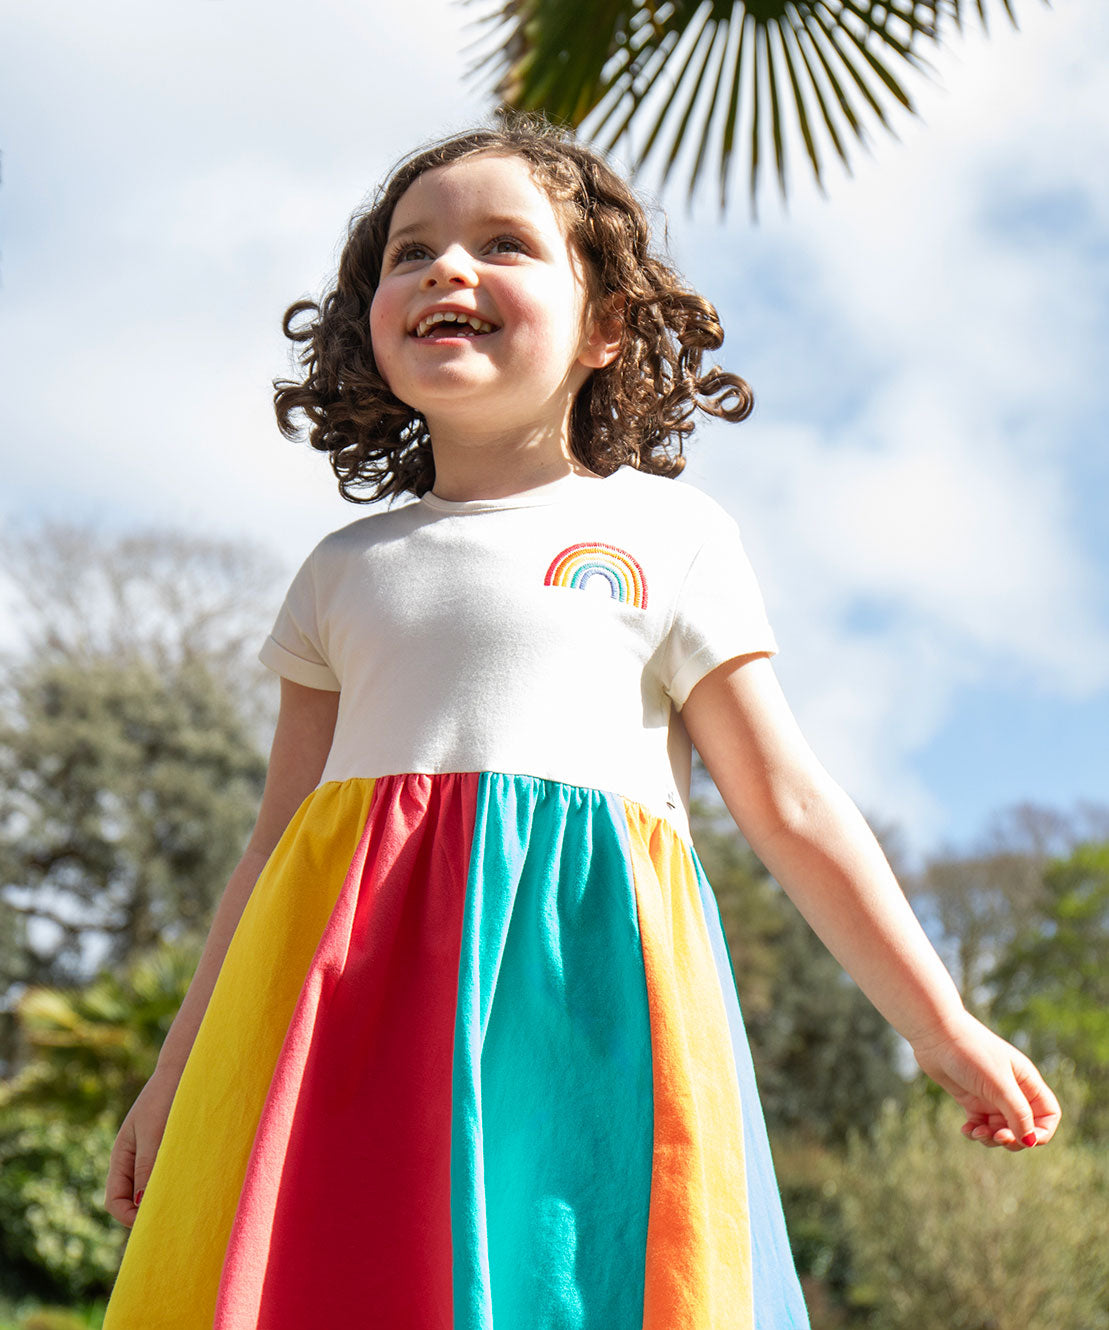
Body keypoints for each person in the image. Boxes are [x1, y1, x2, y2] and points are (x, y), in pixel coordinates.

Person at [102, 119, 1060, 1329]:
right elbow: (273, 843)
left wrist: (939, 1023)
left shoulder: (672, 535)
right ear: (370, 321)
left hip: (586, 1003)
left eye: (504, 244)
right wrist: (176, 1072)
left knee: (582, 1281)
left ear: (604, 327)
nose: (448, 269)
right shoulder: (341, 571)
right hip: (352, 1019)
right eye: (411, 253)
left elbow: (789, 801)